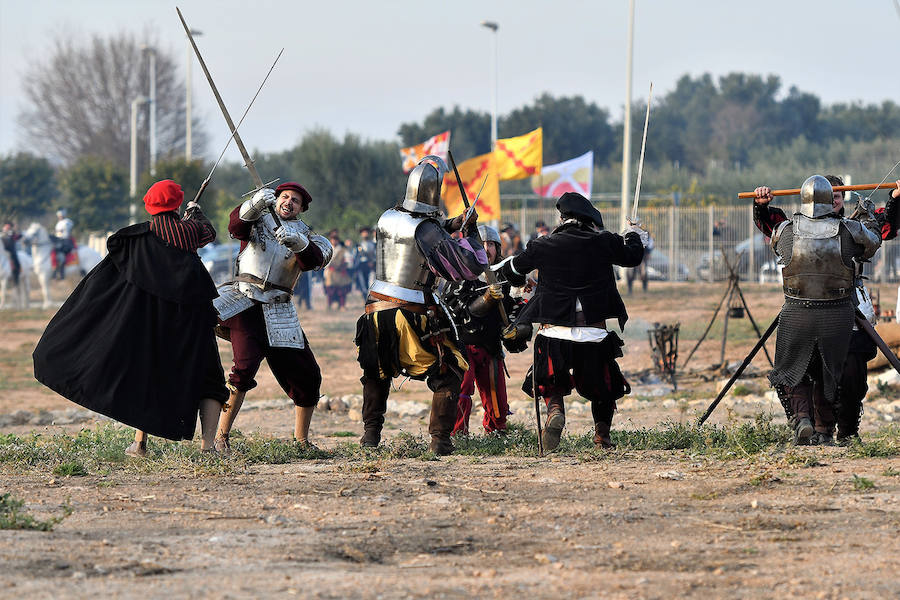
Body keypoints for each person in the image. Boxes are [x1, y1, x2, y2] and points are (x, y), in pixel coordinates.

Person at [33, 180, 228, 455]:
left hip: (149, 325)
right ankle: (208, 448)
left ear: (149, 206)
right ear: (177, 204)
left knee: (145, 374)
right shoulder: (191, 232)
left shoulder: (134, 239)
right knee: (209, 377)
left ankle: (139, 444)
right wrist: (195, 213)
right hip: (191, 326)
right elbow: (208, 232)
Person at [354, 155, 488, 455]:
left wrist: (450, 224)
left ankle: (370, 437)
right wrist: (471, 234)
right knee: (450, 370)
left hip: (375, 308)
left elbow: (423, 229)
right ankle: (440, 440)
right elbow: (466, 268)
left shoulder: (388, 216)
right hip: (411, 312)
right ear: (434, 193)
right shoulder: (428, 229)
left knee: (376, 373)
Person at [754, 176, 900, 444]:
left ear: (841, 199)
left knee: (843, 373)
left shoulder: (799, 229)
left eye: (837, 196)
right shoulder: (848, 230)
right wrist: (761, 207)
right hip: (825, 307)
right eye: (829, 196)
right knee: (799, 369)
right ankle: (818, 427)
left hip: (828, 306)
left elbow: (883, 229)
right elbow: (875, 237)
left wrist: (893, 202)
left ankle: (830, 427)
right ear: (822, 199)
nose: (833, 200)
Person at [499, 192, 645, 450]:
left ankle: (555, 410)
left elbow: (510, 270)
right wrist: (632, 233)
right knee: (604, 387)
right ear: (589, 220)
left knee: (549, 379)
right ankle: (602, 437)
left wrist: (523, 283)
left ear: (562, 219)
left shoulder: (542, 244)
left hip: (553, 333)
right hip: (593, 334)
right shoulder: (605, 242)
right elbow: (633, 256)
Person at [213, 182, 333, 452]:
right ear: (276, 199)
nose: (289, 202)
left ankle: (301, 441)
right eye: (285, 197)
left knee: (308, 376)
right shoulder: (257, 220)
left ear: (302, 209)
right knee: (242, 370)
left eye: (295, 201)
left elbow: (315, 260)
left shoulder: (310, 237)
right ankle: (220, 438)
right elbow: (235, 226)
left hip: (280, 310)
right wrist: (255, 203)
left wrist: (300, 244)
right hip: (245, 303)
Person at [444, 225, 531, 435]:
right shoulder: (459, 276)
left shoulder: (505, 276)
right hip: (462, 345)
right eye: (480, 244)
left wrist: (517, 330)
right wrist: (486, 299)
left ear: (497, 248)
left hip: (490, 345)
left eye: (490, 244)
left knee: (496, 394)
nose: (486, 248)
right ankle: (457, 434)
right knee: (462, 389)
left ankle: (496, 431)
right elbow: (458, 309)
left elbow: (518, 312)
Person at [324, 233, 352, 309]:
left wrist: (345, 265)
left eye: (335, 239)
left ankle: (342, 305)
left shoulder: (343, 250)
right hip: (331, 273)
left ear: (338, 241)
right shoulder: (328, 249)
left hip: (340, 273)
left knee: (341, 291)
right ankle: (329, 306)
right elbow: (325, 261)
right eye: (332, 239)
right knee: (330, 291)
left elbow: (349, 260)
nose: (334, 241)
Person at [52, 208, 78, 279]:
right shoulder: (58, 223)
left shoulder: (68, 222)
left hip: (66, 241)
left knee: (61, 257)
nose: (60, 217)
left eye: (61, 215)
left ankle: (61, 274)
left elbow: (66, 233)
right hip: (59, 241)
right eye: (59, 216)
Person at [626, 228, 654, 294]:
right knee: (630, 273)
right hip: (633, 257)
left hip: (642, 257)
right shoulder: (631, 234)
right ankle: (630, 290)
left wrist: (648, 253)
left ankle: (645, 290)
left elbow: (650, 244)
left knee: (643, 273)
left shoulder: (646, 235)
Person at [352, 227, 376, 299]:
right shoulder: (359, 245)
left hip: (371, 266)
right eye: (363, 232)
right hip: (361, 266)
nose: (365, 234)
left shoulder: (373, 244)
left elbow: (375, 255)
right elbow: (356, 257)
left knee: (371, 284)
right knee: (363, 285)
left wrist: (373, 263)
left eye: (366, 232)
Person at [1, 221, 21, 287]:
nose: (7, 227)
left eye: (9, 226)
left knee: (15, 263)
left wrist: (16, 230)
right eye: (6, 226)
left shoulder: (12, 233)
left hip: (11, 251)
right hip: (2, 251)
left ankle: (16, 279)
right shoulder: (1, 233)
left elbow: (18, 237)